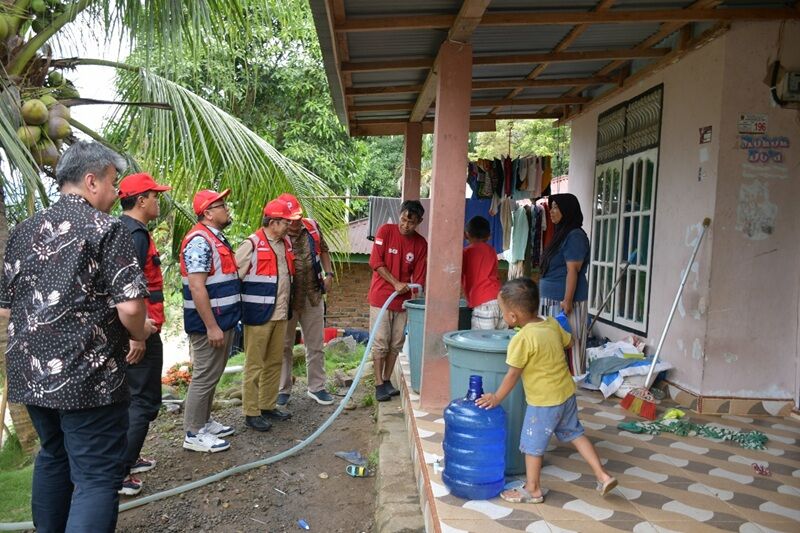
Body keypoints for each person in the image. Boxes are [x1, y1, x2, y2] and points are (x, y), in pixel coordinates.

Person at [0, 141, 154, 532]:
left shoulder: (23, 230)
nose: (116, 192)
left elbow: (6, 309)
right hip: (87, 377)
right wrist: (141, 332)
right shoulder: (105, 228)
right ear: (91, 181)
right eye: (113, 182)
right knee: (96, 475)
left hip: (30, 375)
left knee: (53, 455)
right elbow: (131, 308)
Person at [476, 278, 616, 504]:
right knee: (576, 434)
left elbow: (513, 374)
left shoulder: (522, 339)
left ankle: (533, 489)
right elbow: (570, 342)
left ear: (513, 317)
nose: (503, 316)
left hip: (544, 402)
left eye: (503, 312)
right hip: (566, 394)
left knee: (532, 445)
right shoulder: (551, 323)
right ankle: (603, 475)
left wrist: (496, 397)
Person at [117, 172, 172, 496]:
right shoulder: (134, 235)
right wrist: (136, 336)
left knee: (134, 399)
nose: (158, 201)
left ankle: (129, 457)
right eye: (154, 196)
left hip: (142, 329)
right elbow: (128, 291)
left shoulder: (124, 230)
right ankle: (121, 471)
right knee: (144, 401)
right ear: (141, 201)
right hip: (141, 332)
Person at [180, 189, 240, 452]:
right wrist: (211, 326)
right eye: (221, 205)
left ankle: (204, 422)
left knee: (213, 374)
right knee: (204, 376)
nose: (227, 209)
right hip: (209, 324)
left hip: (224, 320)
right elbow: (197, 286)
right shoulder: (199, 241)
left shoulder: (215, 238)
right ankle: (193, 433)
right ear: (208, 213)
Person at [236, 199, 298, 431]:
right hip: (258, 316)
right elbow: (234, 278)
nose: (289, 226)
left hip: (280, 313)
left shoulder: (284, 244)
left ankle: (267, 405)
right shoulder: (251, 244)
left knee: (274, 362)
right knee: (254, 364)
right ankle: (251, 412)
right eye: (285, 222)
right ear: (273, 223)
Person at [275, 193, 335, 407]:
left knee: (316, 344)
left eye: (298, 216)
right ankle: (282, 389)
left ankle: (317, 387)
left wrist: (329, 274)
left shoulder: (312, 227)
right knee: (284, 346)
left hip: (313, 295)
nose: (296, 222)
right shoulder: (276, 234)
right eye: (291, 219)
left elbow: (324, 250)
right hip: (287, 300)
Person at [368, 200, 427, 402]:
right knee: (380, 343)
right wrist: (395, 283)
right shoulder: (385, 231)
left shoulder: (421, 244)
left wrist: (416, 300)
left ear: (419, 222)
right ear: (399, 215)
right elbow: (376, 262)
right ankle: (378, 384)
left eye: (411, 222)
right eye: (403, 219)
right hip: (381, 298)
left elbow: (419, 279)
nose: (405, 225)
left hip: (403, 302)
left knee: (396, 344)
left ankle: (386, 380)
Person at [538, 193, 591, 375]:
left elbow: (573, 270)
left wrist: (567, 301)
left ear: (567, 210)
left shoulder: (575, 236)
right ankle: (553, 382)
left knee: (569, 346)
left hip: (565, 303)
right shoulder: (561, 234)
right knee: (553, 346)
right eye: (551, 207)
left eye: (556, 207)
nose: (551, 211)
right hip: (550, 300)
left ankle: (571, 385)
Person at [462, 216, 506, 330]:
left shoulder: (466, 252)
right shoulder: (491, 251)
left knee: (481, 340)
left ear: (466, 234)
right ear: (489, 236)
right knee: (500, 340)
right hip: (501, 301)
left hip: (483, 304)